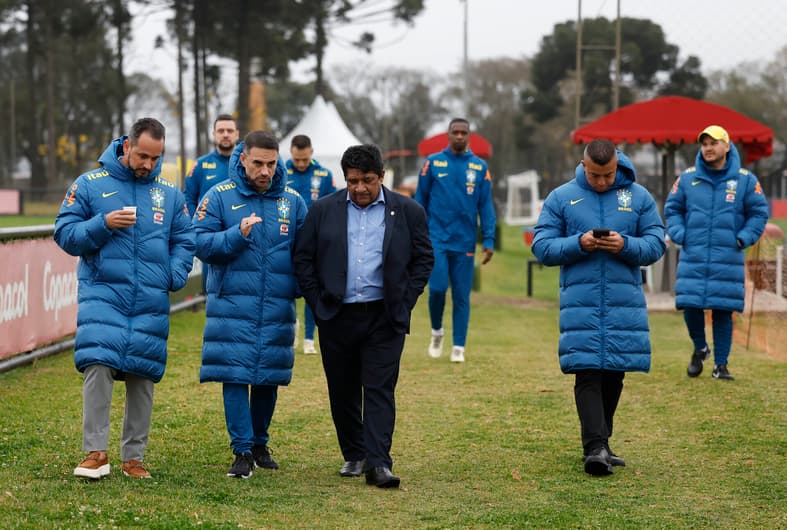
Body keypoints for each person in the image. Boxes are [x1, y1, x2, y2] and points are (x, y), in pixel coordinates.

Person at [54, 117, 195, 480]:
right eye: (143, 155)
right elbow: (65, 234)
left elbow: (184, 239)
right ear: (127, 146)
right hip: (104, 294)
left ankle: (134, 458)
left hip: (149, 299)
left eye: (155, 158)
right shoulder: (89, 184)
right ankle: (95, 453)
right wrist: (103, 224)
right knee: (98, 365)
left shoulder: (169, 193)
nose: (148, 164)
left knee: (142, 375)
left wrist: (174, 274)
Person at [293, 144, 433, 488]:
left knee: (379, 389)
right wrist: (317, 301)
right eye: (353, 181)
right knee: (342, 389)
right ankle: (354, 454)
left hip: (384, 317)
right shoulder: (323, 211)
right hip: (336, 315)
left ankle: (379, 462)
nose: (359, 188)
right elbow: (303, 259)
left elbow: (423, 259)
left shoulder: (409, 211)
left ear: (382, 177)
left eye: (367, 180)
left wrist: (405, 298)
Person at [532, 139, 665, 476]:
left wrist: (625, 245)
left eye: (607, 175)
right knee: (587, 370)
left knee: (614, 373)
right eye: (595, 175)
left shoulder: (639, 197)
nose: (602, 181)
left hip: (624, 302)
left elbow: (655, 243)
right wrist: (579, 243)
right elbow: (543, 246)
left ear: (617, 164)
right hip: (581, 303)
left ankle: (601, 442)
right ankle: (595, 447)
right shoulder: (562, 197)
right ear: (583, 164)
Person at [193, 131, 307, 479]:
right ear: (242, 158)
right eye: (258, 163)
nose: (264, 171)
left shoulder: (293, 202)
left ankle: (260, 443)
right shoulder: (218, 197)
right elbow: (198, 242)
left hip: (275, 304)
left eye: (271, 164)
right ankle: (241, 450)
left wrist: (301, 287)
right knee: (235, 375)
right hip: (231, 304)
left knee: (268, 377)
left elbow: (306, 255)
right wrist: (235, 236)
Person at [664, 125, 769, 381]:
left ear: (727, 146)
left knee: (724, 310)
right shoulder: (687, 178)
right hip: (693, 255)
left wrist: (743, 237)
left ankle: (720, 366)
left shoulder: (746, 180)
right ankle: (700, 348)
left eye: (714, 143)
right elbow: (672, 209)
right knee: (690, 304)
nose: (708, 148)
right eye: (704, 144)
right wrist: (680, 234)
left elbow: (759, 213)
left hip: (728, 257)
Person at [415, 117, 496, 363]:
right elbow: (420, 201)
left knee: (462, 295)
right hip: (436, 239)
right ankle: (437, 331)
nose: (459, 136)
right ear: (448, 135)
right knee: (438, 289)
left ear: (468, 136)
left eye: (463, 132)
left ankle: (459, 347)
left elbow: (486, 206)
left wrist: (489, 240)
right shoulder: (432, 163)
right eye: (455, 132)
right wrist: (418, 236)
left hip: (465, 242)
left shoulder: (479, 167)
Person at [285, 134, 336, 354]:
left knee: (311, 288)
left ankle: (309, 339)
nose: (301, 164)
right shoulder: (280, 171)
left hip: (315, 241)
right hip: (287, 239)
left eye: (305, 160)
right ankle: (291, 329)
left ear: (311, 153)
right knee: (287, 287)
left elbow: (334, 206)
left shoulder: (324, 174)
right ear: (291, 153)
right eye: (297, 160)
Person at [184, 114, 239, 216]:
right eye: (221, 131)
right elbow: (188, 198)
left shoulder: (247, 164)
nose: (225, 135)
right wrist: (194, 224)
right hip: (209, 228)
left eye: (230, 131)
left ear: (237, 134)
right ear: (214, 134)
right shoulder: (200, 164)